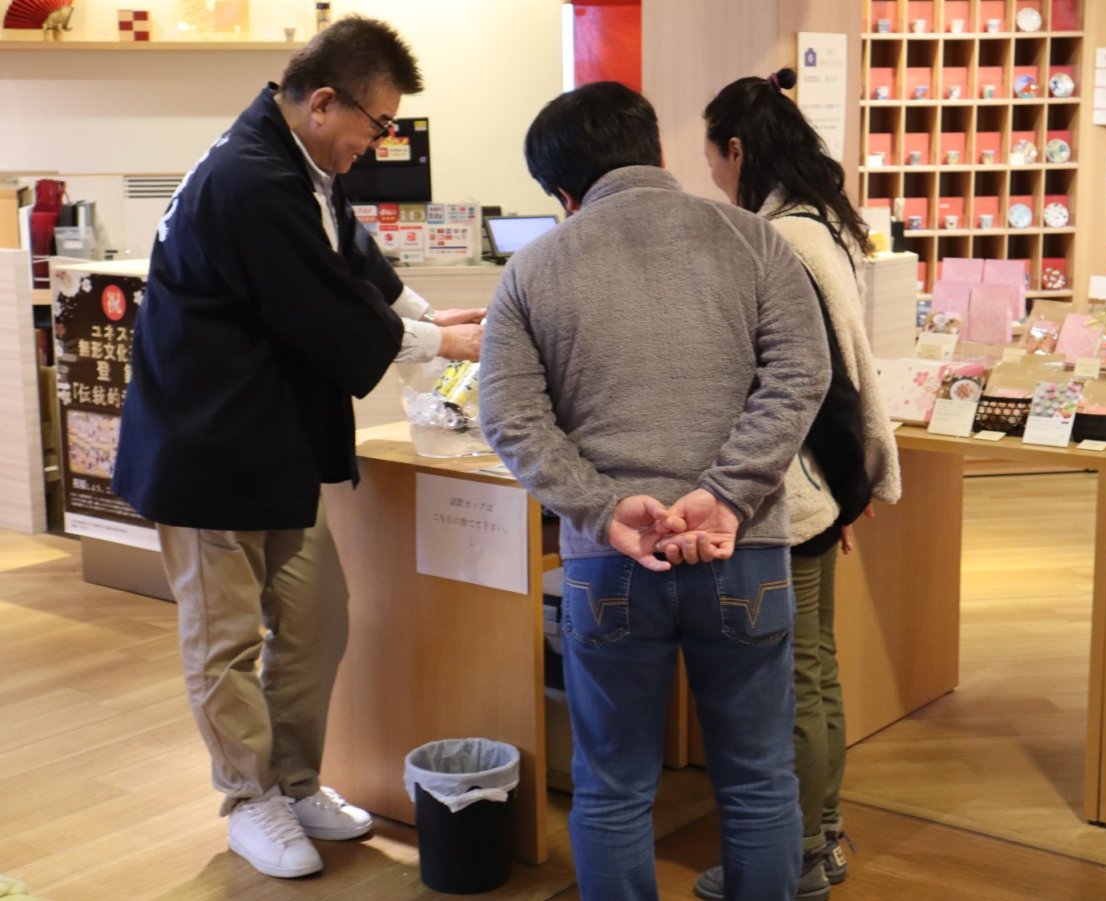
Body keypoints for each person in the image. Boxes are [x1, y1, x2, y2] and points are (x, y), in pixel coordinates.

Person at [112, 17, 483, 879]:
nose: (377, 143)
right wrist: (441, 343)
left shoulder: (301, 167)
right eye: (376, 124)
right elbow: (318, 311)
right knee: (225, 641)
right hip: (205, 449)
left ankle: (294, 779)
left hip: (271, 442)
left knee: (318, 620)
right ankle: (250, 797)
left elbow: (353, 263)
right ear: (323, 102)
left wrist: (426, 315)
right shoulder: (248, 179)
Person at [478, 81, 832, 901]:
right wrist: (728, 494)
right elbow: (801, 376)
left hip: (609, 563)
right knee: (758, 779)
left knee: (612, 787)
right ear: (658, 150)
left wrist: (602, 508)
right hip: (744, 549)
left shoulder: (532, 269)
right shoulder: (754, 239)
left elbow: (510, 418)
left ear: (561, 191)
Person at [693, 68, 903, 901]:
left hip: (794, 487)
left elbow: (816, 382)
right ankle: (824, 835)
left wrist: (838, 484)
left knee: (793, 678)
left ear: (738, 150)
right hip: (823, 482)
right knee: (816, 666)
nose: (713, 176)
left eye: (713, 159)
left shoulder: (778, 239)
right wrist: (851, 486)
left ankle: (802, 853)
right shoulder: (825, 224)